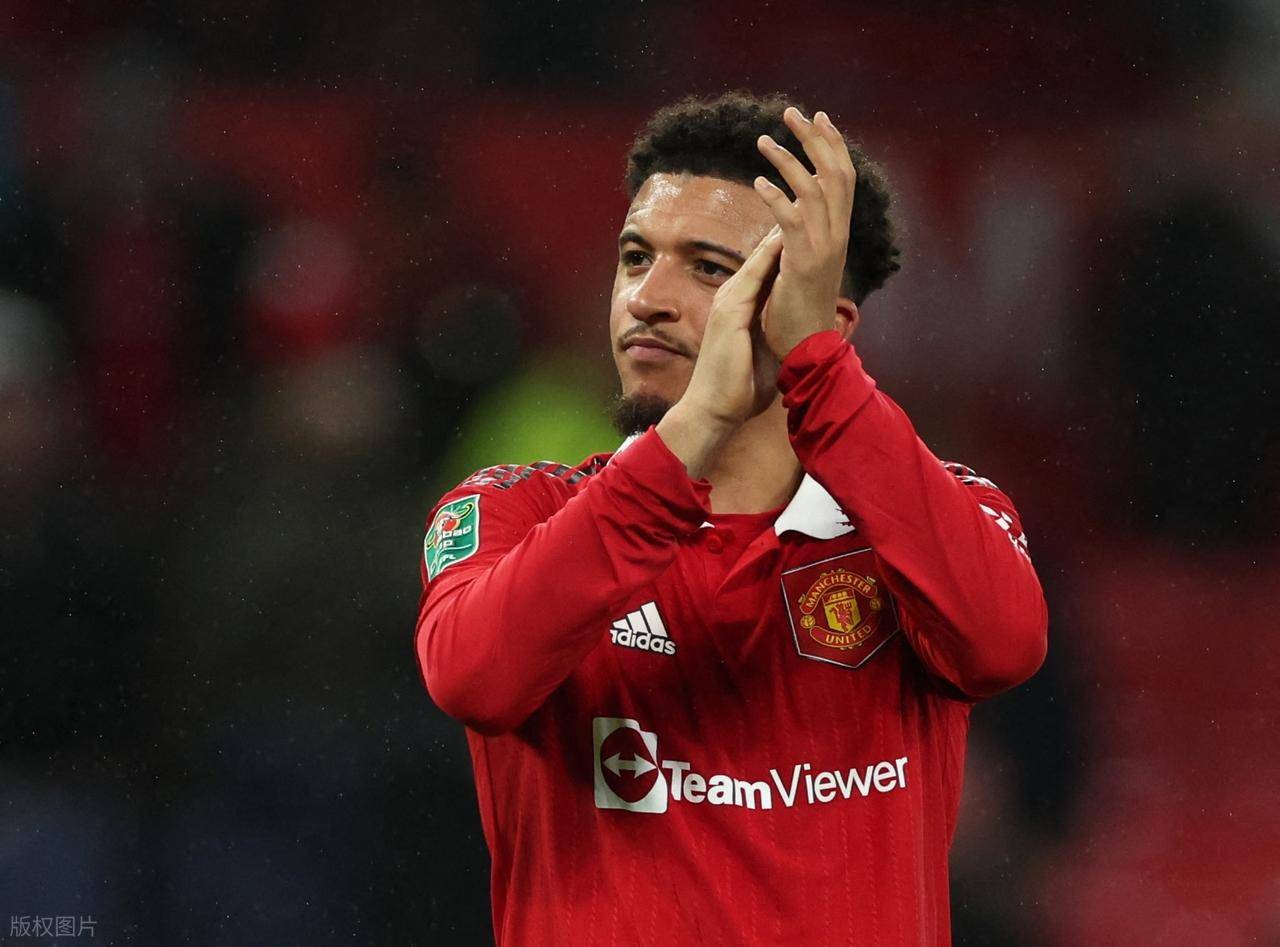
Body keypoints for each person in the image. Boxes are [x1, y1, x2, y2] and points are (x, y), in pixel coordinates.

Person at [413, 92, 1048, 946]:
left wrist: (819, 375)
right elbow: (474, 678)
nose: (647, 297)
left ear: (826, 325)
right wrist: (693, 432)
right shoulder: (514, 508)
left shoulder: (924, 521)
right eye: (635, 257)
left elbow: (1005, 645)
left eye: (710, 269)